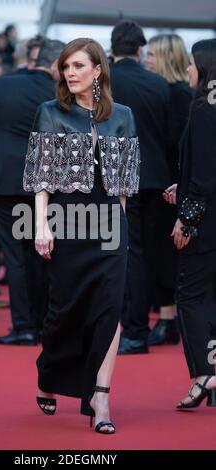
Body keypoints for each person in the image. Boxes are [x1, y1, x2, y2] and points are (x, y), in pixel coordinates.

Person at [23, 38, 140, 433]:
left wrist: (120, 231)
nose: (69, 73)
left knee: (109, 308)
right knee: (63, 312)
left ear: (97, 71)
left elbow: (124, 184)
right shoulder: (51, 112)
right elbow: (41, 175)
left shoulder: (122, 116)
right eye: (66, 67)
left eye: (77, 66)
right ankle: (49, 372)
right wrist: (41, 224)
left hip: (109, 224)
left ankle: (100, 398)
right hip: (68, 221)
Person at [0, 40, 65, 346]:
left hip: (7, 180)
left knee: (17, 257)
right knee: (45, 254)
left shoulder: (2, 85)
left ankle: (23, 327)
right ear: (55, 66)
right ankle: (44, 324)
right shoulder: (62, 93)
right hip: (51, 182)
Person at [109, 20, 171, 354]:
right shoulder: (159, 84)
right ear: (139, 49)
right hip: (157, 177)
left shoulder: (105, 83)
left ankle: (134, 329)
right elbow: (165, 133)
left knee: (128, 254)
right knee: (149, 252)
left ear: (112, 49)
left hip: (120, 178)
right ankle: (148, 322)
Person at [164, 39, 216, 408]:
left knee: (190, 294)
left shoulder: (203, 110)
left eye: (192, 64)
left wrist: (186, 218)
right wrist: (181, 188)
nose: (188, 71)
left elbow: (204, 178)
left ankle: (204, 372)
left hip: (206, 222)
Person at [145, 34, 193, 346]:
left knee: (166, 251)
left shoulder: (177, 94)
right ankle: (167, 316)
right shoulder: (174, 92)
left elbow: (178, 142)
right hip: (172, 181)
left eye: (151, 55)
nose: (146, 59)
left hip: (174, 184)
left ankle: (168, 318)